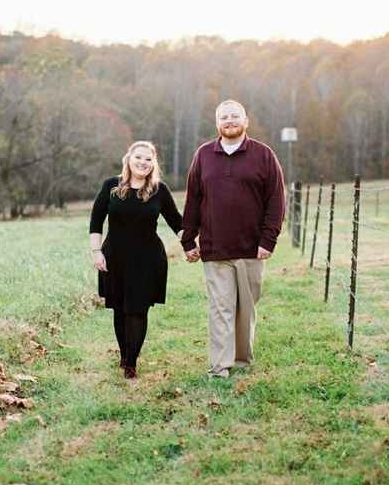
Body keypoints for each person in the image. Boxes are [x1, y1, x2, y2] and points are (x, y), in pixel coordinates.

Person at [181, 100, 286, 378]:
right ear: (217, 123)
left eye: (235, 116)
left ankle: (241, 359)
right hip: (215, 248)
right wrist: (188, 241)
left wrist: (268, 240)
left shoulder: (264, 155)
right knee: (220, 308)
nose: (230, 120)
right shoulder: (203, 155)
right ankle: (220, 367)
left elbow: (276, 201)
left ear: (245, 121)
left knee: (245, 309)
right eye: (224, 117)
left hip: (252, 248)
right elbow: (193, 199)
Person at [89, 141, 183, 379]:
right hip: (115, 257)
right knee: (119, 309)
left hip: (148, 259)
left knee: (138, 310)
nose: (143, 162)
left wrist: (193, 244)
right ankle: (124, 354)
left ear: (153, 163)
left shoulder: (159, 190)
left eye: (148, 159)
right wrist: (96, 252)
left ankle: (131, 363)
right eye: (138, 157)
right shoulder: (111, 186)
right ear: (128, 159)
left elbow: (176, 223)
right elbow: (96, 221)